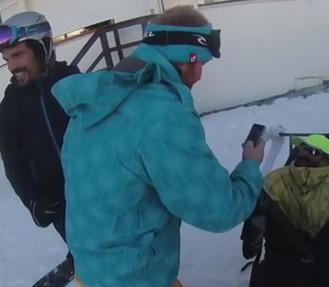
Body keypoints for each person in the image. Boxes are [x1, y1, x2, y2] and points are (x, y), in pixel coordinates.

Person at [51, 6, 265, 287]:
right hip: (137, 279)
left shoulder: (96, 101)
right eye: (200, 63)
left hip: (92, 273)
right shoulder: (162, 116)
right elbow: (217, 209)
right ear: (186, 60)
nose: (200, 75)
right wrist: (250, 167)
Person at [0, 10, 79, 270]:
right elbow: (14, 167)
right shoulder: (8, 111)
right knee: (86, 256)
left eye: (18, 55)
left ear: (44, 47)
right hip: (58, 203)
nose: (12, 66)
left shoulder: (76, 83)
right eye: (7, 59)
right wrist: (34, 202)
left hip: (99, 193)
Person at [241, 134, 329, 287]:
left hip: (282, 270)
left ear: (327, 159)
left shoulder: (273, 180)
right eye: (301, 148)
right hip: (328, 270)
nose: (303, 153)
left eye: (313, 152)